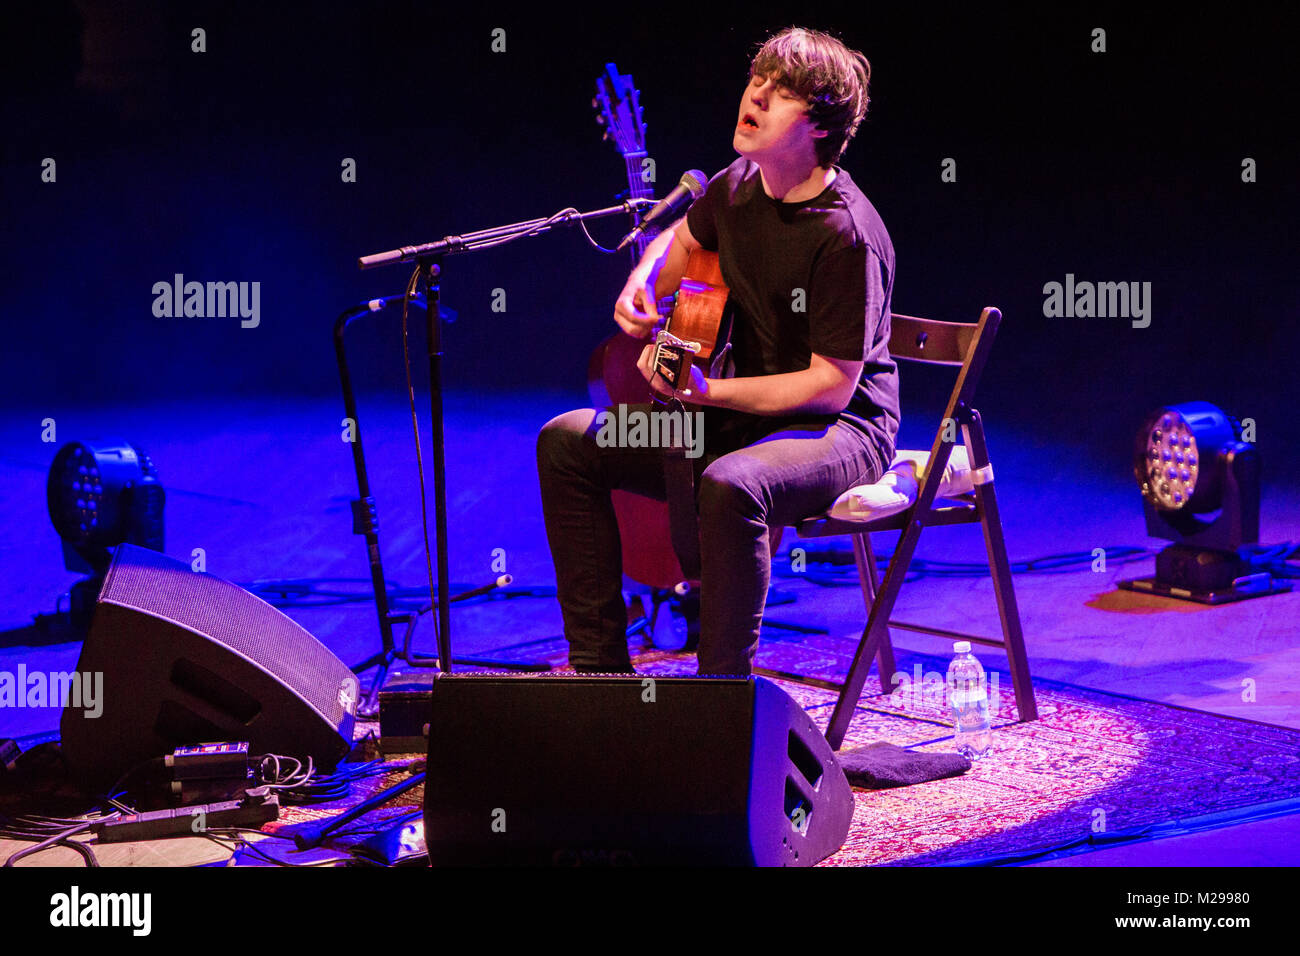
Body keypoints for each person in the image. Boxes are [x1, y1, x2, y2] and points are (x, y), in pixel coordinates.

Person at [537, 26, 898, 675]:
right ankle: (599, 675)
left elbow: (831, 385)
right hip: (740, 416)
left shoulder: (845, 234)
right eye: (756, 78)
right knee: (567, 441)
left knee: (731, 485)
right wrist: (641, 286)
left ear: (819, 126)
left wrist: (708, 394)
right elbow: (679, 244)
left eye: (780, 90)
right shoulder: (737, 186)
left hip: (839, 430)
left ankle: (720, 703)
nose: (755, 94)